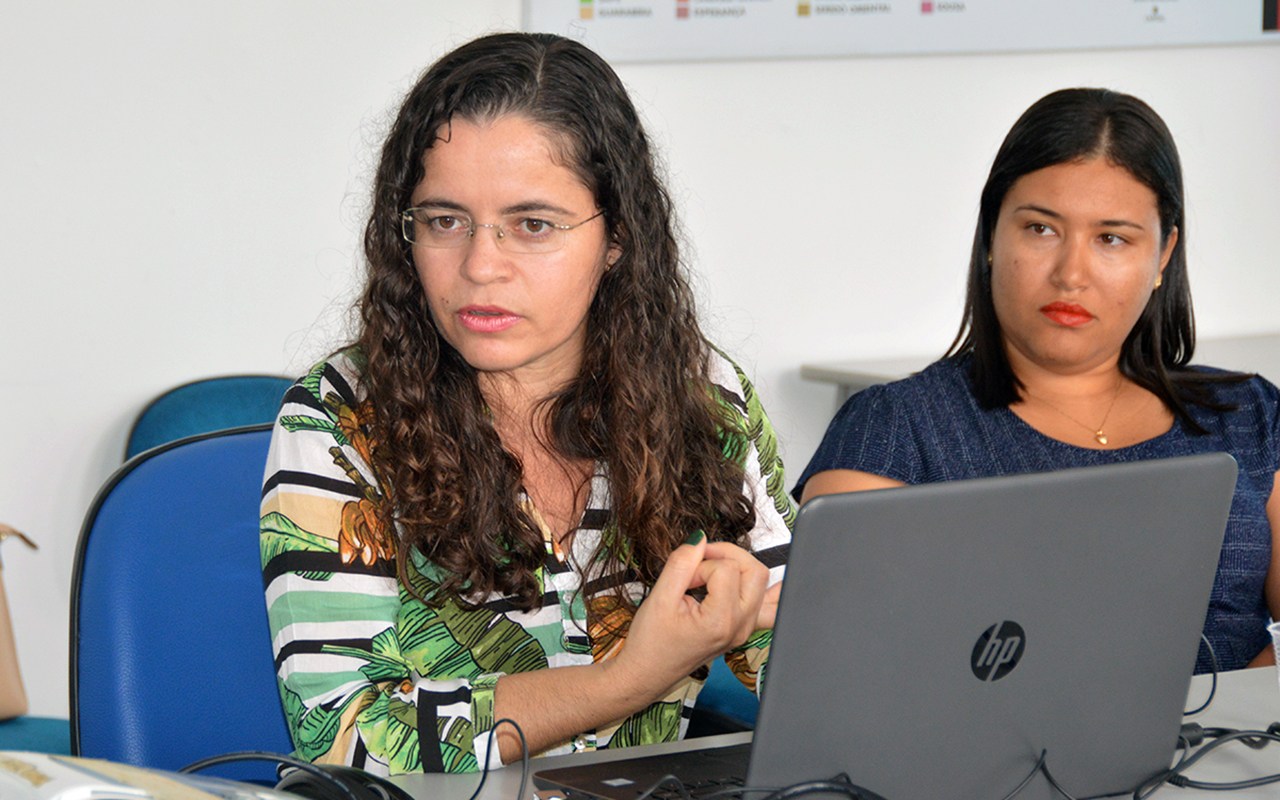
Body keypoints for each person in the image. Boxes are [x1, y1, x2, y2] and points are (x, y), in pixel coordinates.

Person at [260, 33, 793, 775]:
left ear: (617, 239)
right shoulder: (340, 420)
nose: (480, 266)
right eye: (444, 221)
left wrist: (787, 626)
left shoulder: (703, 396)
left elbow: (805, 655)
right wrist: (626, 680)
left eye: (532, 225)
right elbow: (349, 742)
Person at [795, 88, 1280, 675]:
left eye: (1112, 239)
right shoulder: (897, 428)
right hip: (1000, 764)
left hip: (1244, 759)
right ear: (993, 236)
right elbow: (834, 675)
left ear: (1162, 255)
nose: (1070, 273)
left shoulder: (1244, 413)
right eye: (1042, 229)